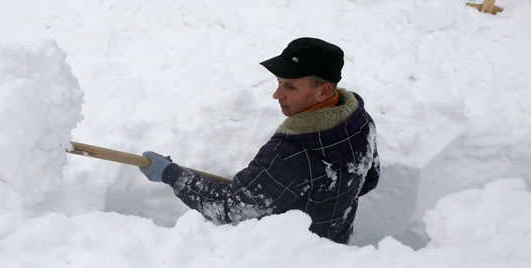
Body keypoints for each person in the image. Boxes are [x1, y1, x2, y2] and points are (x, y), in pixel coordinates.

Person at [139, 38, 380, 243]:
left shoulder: (291, 152)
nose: (277, 94)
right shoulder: (358, 122)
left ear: (324, 91)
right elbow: (369, 179)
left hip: (292, 265)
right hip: (336, 248)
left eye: (290, 87)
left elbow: (229, 209)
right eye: (278, 82)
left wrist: (170, 173)